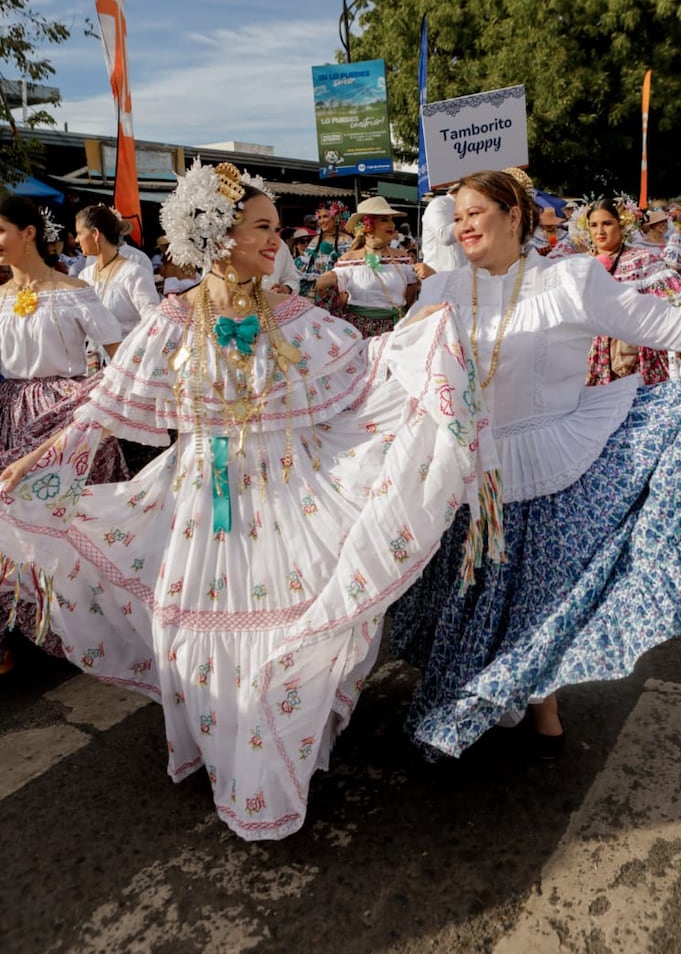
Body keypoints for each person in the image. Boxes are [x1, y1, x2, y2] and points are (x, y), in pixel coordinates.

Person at [0, 160, 497, 841]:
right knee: (190, 637)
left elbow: (366, 367)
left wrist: (425, 332)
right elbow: (101, 410)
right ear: (218, 234)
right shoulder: (170, 320)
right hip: (201, 500)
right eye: (263, 228)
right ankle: (217, 748)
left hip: (289, 494)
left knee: (286, 633)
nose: (277, 241)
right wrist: (30, 465)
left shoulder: (294, 317)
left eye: (275, 230)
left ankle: (273, 761)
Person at [390, 169, 681, 762]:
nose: (463, 224)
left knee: (544, 597)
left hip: (555, 459)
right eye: (457, 216)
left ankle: (542, 702)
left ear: (514, 216)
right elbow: (397, 362)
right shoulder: (442, 288)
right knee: (468, 596)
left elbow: (664, 323)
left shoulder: (570, 279)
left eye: (476, 212)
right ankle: (479, 698)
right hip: (471, 472)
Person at [0, 194, 127, 672]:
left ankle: (82, 629)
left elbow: (124, 358)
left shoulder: (75, 291)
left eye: (1, 231)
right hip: (12, 414)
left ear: (29, 232)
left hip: (67, 420)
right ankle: (23, 629)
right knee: (13, 523)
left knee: (69, 526)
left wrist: (98, 406)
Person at [566, 197, 681, 387]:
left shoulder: (642, 260)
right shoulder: (579, 264)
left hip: (638, 355)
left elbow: (679, 301)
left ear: (622, 225)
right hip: (589, 357)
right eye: (593, 225)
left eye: (607, 223)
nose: (600, 231)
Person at [316, 196, 420, 336]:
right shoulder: (348, 261)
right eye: (384, 220)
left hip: (396, 331)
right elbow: (322, 287)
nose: (392, 225)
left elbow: (410, 295)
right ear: (367, 226)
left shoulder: (402, 258)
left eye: (391, 220)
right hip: (361, 332)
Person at [75, 204, 160, 346]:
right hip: (91, 363)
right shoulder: (85, 275)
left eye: (79, 233)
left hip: (126, 361)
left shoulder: (134, 273)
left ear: (95, 234)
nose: (77, 240)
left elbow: (154, 322)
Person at [295, 201, 352, 300]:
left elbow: (351, 271)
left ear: (336, 218)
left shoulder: (346, 240)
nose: (321, 221)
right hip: (315, 294)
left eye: (325, 216)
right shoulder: (315, 241)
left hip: (339, 294)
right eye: (319, 218)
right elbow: (305, 268)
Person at [416, 188, 466, 278]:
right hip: (439, 279)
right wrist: (470, 218)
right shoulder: (440, 203)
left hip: (464, 279)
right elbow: (444, 236)